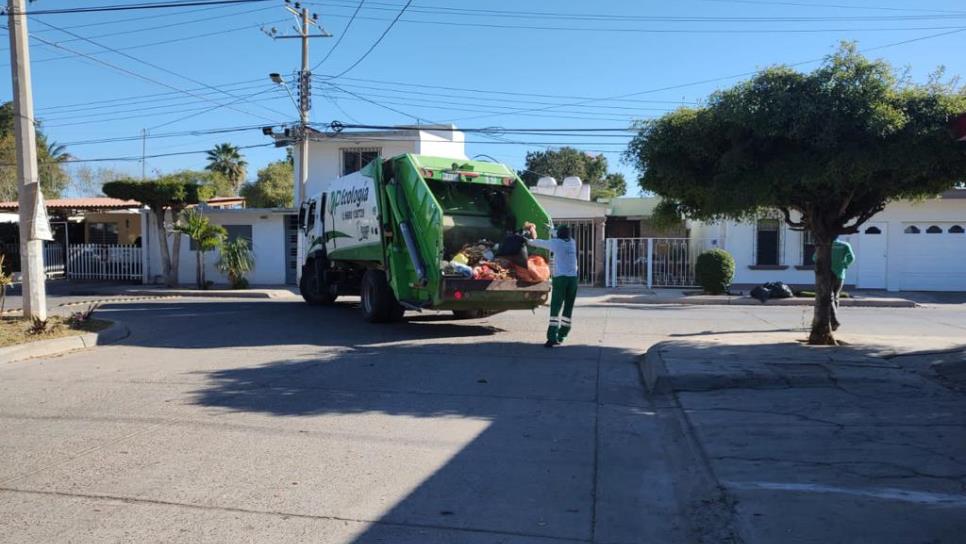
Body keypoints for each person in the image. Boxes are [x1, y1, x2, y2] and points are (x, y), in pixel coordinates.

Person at [525, 222, 578, 348]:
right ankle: (562, 336)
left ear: (558, 235)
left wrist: (527, 240)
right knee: (568, 307)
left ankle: (552, 338)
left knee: (555, 307)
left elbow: (539, 242)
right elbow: (558, 235)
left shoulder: (556, 244)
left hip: (561, 279)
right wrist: (551, 229)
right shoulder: (572, 242)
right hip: (573, 279)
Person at [815, 236, 855, 331]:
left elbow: (814, 257)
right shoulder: (845, 245)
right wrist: (844, 265)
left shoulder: (824, 245)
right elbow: (851, 257)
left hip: (827, 273)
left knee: (829, 296)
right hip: (840, 274)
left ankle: (833, 321)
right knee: (835, 297)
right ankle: (832, 319)